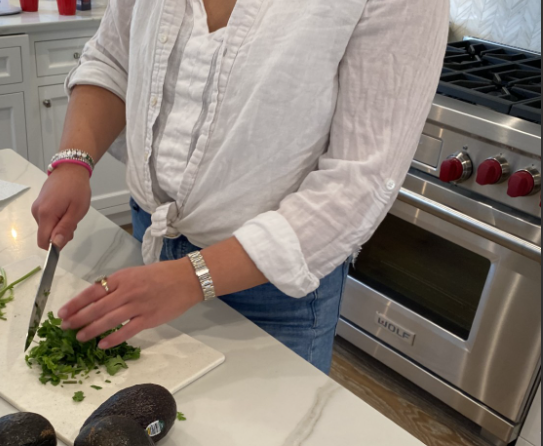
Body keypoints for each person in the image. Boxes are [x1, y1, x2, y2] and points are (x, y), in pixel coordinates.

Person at [32, 0, 449, 374]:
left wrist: (190, 279)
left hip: (270, 291)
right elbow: (113, 58)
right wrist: (74, 161)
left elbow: (360, 179)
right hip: (149, 246)